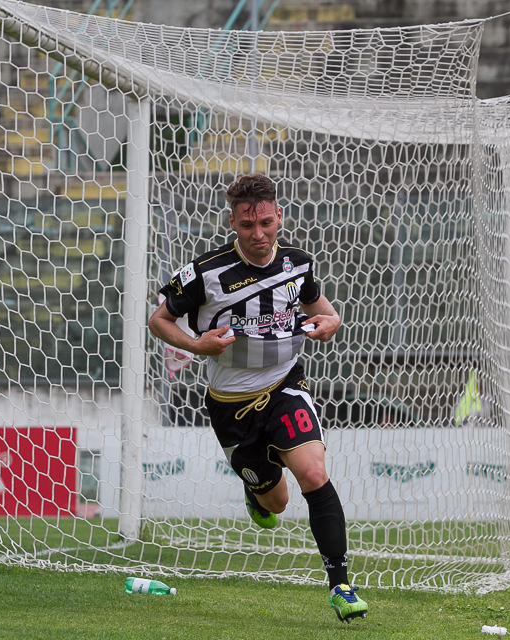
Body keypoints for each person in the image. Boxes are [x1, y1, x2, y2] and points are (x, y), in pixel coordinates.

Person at [147, 174, 368, 623]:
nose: (260, 234)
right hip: (230, 405)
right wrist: (197, 345)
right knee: (276, 504)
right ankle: (256, 488)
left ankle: (341, 585)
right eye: (248, 226)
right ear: (233, 222)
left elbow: (321, 311)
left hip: (285, 386)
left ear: (278, 216)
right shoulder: (204, 273)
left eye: (266, 222)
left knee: (314, 471)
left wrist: (332, 321)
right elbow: (159, 320)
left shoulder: (298, 264)